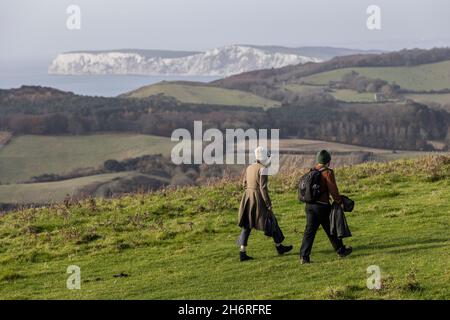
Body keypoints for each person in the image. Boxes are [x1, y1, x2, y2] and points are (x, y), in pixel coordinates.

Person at [237, 146, 293, 261]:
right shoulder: (263, 169)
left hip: (247, 197)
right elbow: (263, 188)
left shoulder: (249, 167)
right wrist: (268, 203)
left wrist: (249, 192)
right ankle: (279, 247)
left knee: (247, 225)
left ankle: (242, 252)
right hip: (258, 198)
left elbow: (244, 184)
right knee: (271, 220)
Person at [299, 150, 352, 264]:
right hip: (322, 206)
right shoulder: (327, 173)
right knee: (331, 228)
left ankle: (304, 256)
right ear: (328, 161)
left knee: (309, 231)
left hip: (309, 206)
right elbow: (333, 189)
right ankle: (341, 250)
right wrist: (339, 201)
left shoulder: (312, 171)